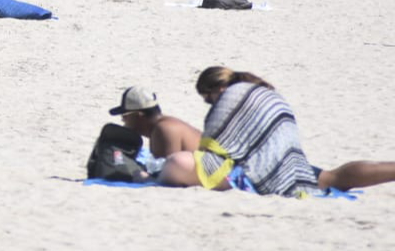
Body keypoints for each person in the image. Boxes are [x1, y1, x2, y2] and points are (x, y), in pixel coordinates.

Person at [159, 67, 395, 195]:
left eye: (207, 98)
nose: (209, 103)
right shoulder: (265, 92)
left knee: (178, 163)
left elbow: (213, 151)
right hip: (290, 164)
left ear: (218, 89)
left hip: (258, 171)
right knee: (335, 178)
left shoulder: (230, 98)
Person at [109, 86, 201, 162]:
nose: (123, 120)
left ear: (139, 115)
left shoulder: (164, 129)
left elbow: (167, 171)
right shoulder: (165, 125)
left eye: (124, 116)